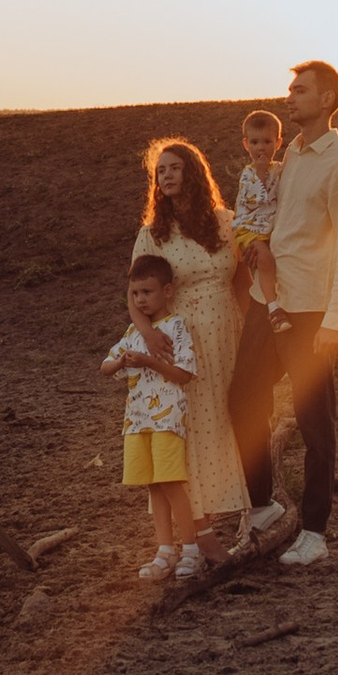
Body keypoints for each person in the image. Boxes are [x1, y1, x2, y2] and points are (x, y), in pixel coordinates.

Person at [228, 60, 338, 568]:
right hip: (270, 301)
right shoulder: (291, 153)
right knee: (241, 396)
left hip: (310, 310)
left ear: (327, 99)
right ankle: (263, 505)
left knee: (315, 422)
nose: (289, 96)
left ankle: (314, 531)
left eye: (300, 90)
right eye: (289, 88)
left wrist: (336, 321)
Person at [131, 139, 249, 548]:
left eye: (175, 167)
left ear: (193, 173)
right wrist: (148, 333)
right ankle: (196, 530)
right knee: (190, 427)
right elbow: (134, 294)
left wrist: (254, 332)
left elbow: (242, 282)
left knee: (224, 422)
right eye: (160, 170)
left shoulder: (225, 222)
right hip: (180, 340)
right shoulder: (153, 234)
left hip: (226, 333)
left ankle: (225, 515)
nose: (166, 175)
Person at [103, 253, 202, 582]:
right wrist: (121, 363)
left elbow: (184, 374)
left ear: (168, 291)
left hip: (167, 420)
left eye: (147, 292)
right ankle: (165, 550)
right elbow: (105, 366)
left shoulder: (176, 327)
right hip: (137, 422)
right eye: (135, 294)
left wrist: (148, 361)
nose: (141, 299)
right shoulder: (133, 331)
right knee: (153, 486)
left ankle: (191, 549)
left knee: (172, 483)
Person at [230, 110, 284, 307]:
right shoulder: (249, 174)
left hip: (266, 227)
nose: (261, 148)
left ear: (278, 143)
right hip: (250, 228)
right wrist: (261, 174)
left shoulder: (280, 168)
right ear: (246, 145)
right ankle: (272, 304)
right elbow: (256, 201)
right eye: (254, 142)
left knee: (271, 261)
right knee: (265, 260)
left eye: (267, 142)